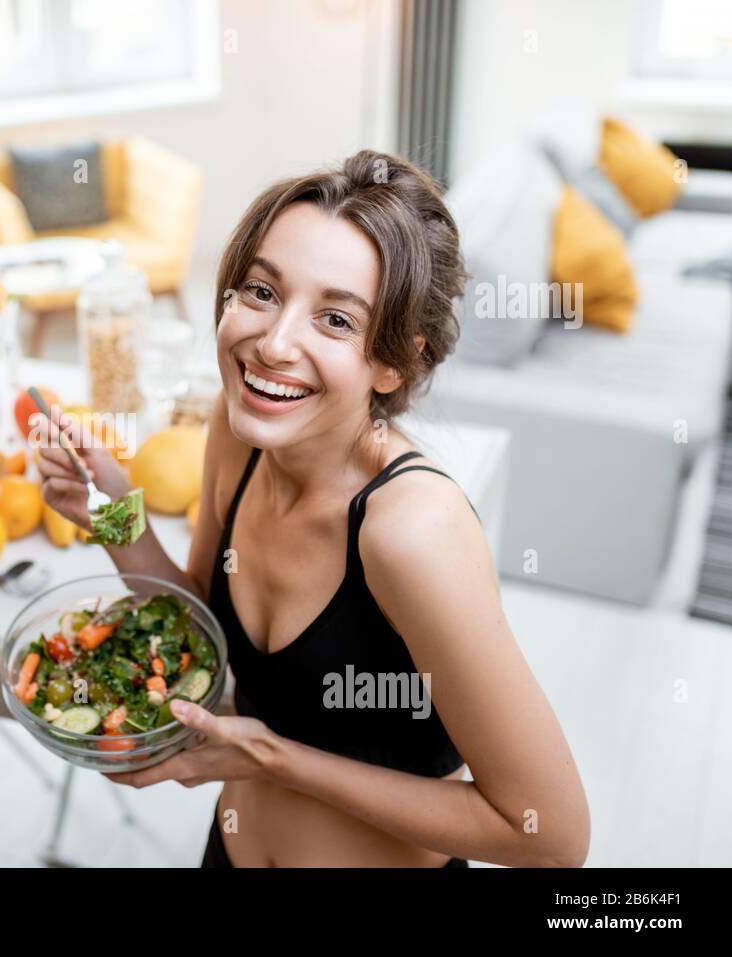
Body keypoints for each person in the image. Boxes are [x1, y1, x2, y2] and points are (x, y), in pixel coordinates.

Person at [35, 150, 590, 868]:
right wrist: (113, 518)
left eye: (333, 318)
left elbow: (548, 835)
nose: (273, 341)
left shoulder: (411, 531)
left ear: (392, 361)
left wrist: (273, 758)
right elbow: (201, 622)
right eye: (261, 291)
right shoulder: (234, 436)